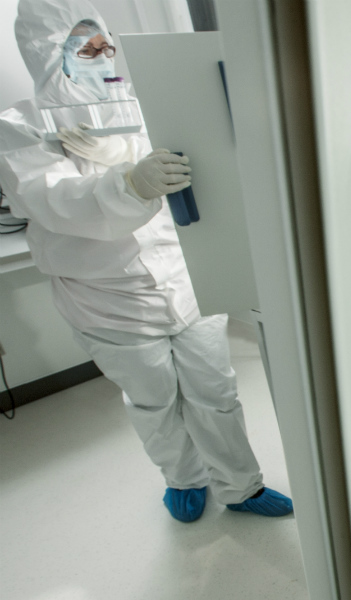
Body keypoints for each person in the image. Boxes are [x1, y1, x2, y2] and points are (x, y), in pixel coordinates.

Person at [0, 0, 292, 523]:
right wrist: (127, 183)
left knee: (216, 391)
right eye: (83, 47)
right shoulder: (18, 128)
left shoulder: (137, 103)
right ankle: (183, 479)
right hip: (107, 301)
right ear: (47, 52)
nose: (101, 55)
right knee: (155, 403)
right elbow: (50, 200)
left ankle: (241, 486)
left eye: (105, 44)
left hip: (187, 281)